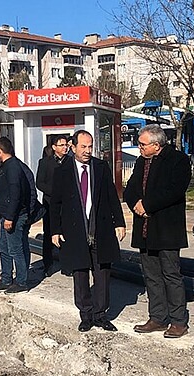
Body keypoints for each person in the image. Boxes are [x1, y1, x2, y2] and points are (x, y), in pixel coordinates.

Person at [50, 129, 126, 332]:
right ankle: (86, 315)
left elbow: (112, 197)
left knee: (102, 273)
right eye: (83, 146)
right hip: (75, 231)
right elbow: (55, 203)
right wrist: (55, 230)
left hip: (100, 228)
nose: (87, 151)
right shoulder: (62, 171)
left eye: (90, 146)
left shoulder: (100, 168)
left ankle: (100, 314)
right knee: (80, 274)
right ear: (72, 147)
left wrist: (119, 222)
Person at [123, 124, 192, 339]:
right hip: (145, 227)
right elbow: (131, 188)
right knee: (151, 275)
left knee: (171, 274)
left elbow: (174, 191)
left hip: (166, 228)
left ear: (157, 145)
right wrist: (136, 204)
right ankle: (157, 317)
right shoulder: (140, 161)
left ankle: (178, 320)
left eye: (143, 144)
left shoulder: (178, 160)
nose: (139, 148)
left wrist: (148, 205)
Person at [0, 136, 33, 294]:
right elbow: (0, 186)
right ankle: (6, 279)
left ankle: (21, 281)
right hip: (5, 214)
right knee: (3, 249)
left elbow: (15, 194)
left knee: (15, 249)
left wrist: (10, 217)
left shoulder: (13, 167)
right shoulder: (7, 167)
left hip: (14, 216)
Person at [35, 135, 69, 275]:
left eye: (66, 144)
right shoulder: (45, 163)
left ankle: (67, 266)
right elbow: (40, 183)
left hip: (67, 204)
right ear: (54, 147)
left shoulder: (70, 162)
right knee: (49, 234)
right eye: (61, 145)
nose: (65, 147)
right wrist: (54, 192)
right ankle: (47, 265)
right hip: (50, 204)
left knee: (66, 234)